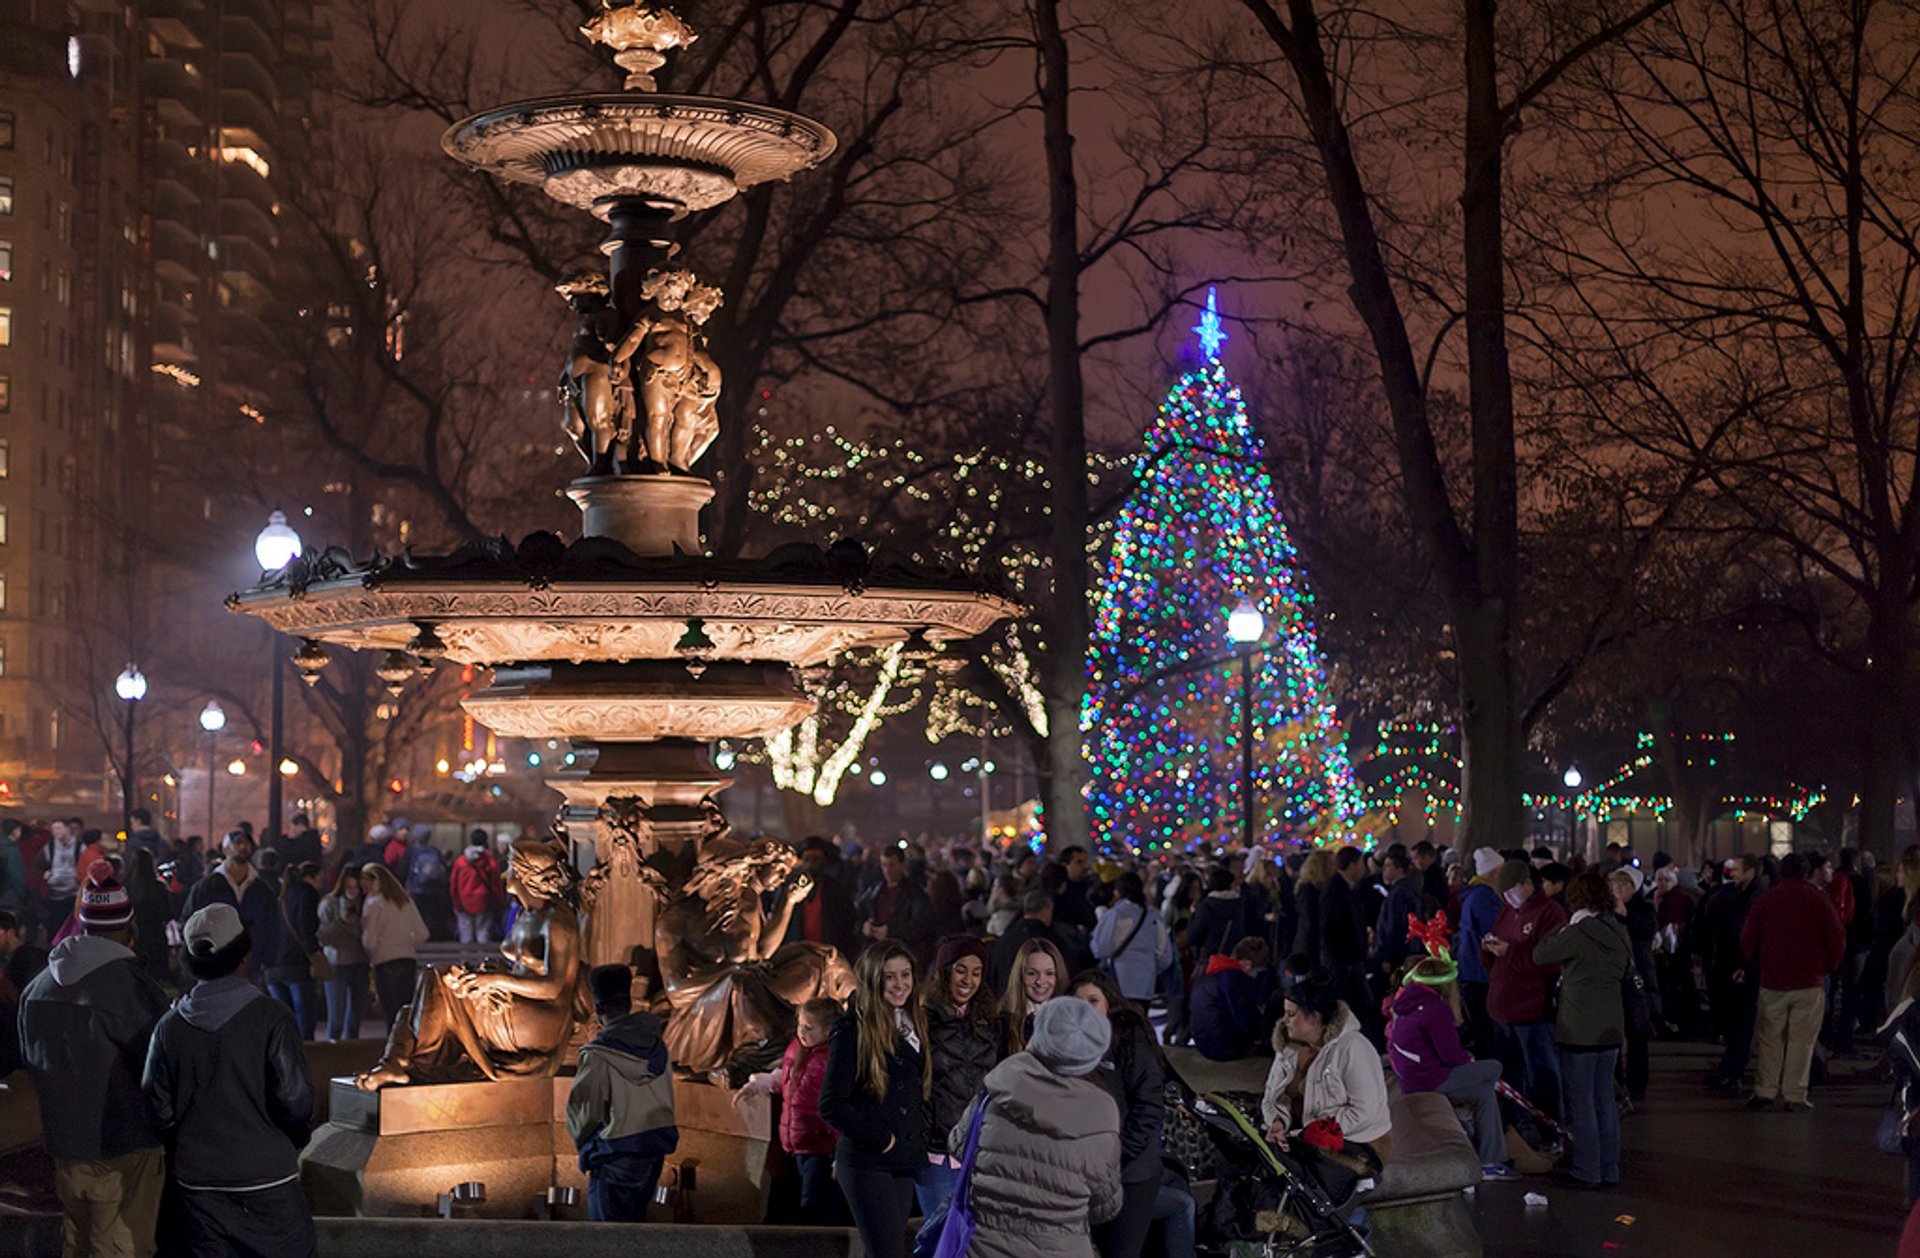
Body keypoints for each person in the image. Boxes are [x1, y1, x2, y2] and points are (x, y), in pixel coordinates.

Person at [143, 904, 316, 1257]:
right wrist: (286, 1142)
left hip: (198, 1185)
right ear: (244, 955)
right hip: (268, 1181)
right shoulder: (272, 1017)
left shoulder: (170, 1027)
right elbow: (295, 1101)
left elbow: (156, 1106)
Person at [17, 860, 169, 1258]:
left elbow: (30, 1061)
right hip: (124, 1148)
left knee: (78, 1244)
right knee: (122, 1247)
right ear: (127, 926)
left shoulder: (37, 987)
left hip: (64, 1144)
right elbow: (162, 1068)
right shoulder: (131, 989)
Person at [957, 996, 1123, 1258]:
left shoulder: (996, 1089)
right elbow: (1105, 1207)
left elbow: (958, 1147)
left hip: (983, 1248)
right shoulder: (1101, 1115)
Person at [819, 942, 931, 1258]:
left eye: (905, 975)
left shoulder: (915, 1023)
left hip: (903, 1159)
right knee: (887, 1252)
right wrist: (884, 1140)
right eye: (889, 977)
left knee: (887, 1250)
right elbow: (831, 1104)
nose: (899, 985)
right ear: (872, 980)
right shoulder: (852, 1028)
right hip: (868, 1160)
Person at [1531, 870, 1631, 1189]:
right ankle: (1609, 1168)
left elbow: (1540, 954)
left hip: (1579, 1028)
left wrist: (1566, 926)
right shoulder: (1618, 931)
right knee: (1605, 1099)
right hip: (1611, 1027)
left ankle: (1587, 1170)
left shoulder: (1577, 932)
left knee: (1582, 1102)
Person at [1386, 954, 1515, 1179]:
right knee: (1494, 1068)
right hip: (1428, 1078)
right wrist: (1468, 1058)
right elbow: (1452, 1056)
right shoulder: (1436, 1009)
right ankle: (1489, 1156)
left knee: (1485, 1093)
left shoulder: (1407, 1003)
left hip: (1411, 1075)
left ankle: (1490, 1160)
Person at [566, 963, 679, 1222]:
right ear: (628, 1004)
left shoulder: (598, 1054)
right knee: (634, 1236)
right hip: (653, 1154)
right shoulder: (657, 1046)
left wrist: (586, 1146)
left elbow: (583, 1112)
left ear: (598, 1008)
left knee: (609, 1241)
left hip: (614, 1154)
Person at [1069, 971, 1166, 1258]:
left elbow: (1148, 1104)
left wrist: (1119, 1155)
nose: (1086, 1009)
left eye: (1093, 1000)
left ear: (1108, 1004)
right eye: (1078, 1003)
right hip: (1092, 1177)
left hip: (1132, 1174)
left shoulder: (1128, 1039)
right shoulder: (1072, 1048)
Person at [1740, 851, 1845, 1112]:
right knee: (1802, 1040)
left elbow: (1748, 936)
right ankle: (1795, 1093)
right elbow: (1836, 937)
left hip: (1773, 979)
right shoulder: (1818, 900)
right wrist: (1827, 967)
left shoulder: (1767, 899)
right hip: (1809, 981)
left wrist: (1758, 962)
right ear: (1807, 872)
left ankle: (1765, 1089)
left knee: (1769, 1038)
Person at [1259, 971, 1392, 1166]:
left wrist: (1315, 1132)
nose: (1284, 1021)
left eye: (1291, 1014)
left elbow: (1364, 1112)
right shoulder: (1289, 1047)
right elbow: (1272, 1096)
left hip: (1358, 1143)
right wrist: (1277, 1122)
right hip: (1301, 1136)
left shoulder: (1353, 1048)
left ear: (1314, 1017)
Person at [737, 997, 848, 1224]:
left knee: (815, 1209)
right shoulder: (796, 1048)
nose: (801, 1032)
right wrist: (761, 1083)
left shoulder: (833, 1059)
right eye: (800, 1025)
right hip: (795, 1145)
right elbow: (787, 1078)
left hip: (820, 1149)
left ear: (828, 1030)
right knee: (788, 1206)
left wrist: (839, 1155)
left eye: (809, 1028)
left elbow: (841, 1108)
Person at [920, 936, 1002, 1220]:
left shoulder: (991, 1024)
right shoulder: (923, 1021)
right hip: (937, 1154)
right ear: (945, 972)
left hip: (981, 1153)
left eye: (977, 972)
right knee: (942, 1239)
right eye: (961, 969)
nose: (969, 979)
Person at [1483, 859, 1566, 1122]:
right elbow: (1495, 960)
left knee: (1541, 1073)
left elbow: (1551, 960)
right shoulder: (1507, 912)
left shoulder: (1551, 913)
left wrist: (1511, 952)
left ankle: (1550, 1127)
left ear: (1528, 884)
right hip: (1502, 1009)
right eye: (1504, 894)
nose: (1508, 898)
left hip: (1533, 1012)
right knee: (1511, 1076)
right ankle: (1515, 1126)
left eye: (1511, 891)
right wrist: (1488, 948)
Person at [1703, 854, 1765, 1093]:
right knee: (1737, 1021)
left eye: (1737, 869)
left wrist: (1744, 964)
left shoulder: (1753, 898)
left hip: (1743, 966)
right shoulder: (1744, 895)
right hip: (1737, 964)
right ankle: (1730, 1069)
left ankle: (1733, 1072)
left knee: (1742, 1022)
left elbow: (1747, 934)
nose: (1733, 873)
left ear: (1750, 871)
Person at [179, 831, 277, 980]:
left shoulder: (261, 888)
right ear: (225, 849)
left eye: (246, 843)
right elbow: (190, 920)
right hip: (215, 964)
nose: (243, 847)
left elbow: (273, 923)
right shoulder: (207, 886)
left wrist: (267, 958)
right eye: (237, 843)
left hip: (252, 964)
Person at [359, 862, 429, 1030]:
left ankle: (393, 1049)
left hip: (384, 961)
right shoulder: (405, 901)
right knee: (405, 1012)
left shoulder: (373, 903)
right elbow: (422, 933)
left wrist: (374, 950)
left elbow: (370, 940)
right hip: (407, 959)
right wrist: (404, 942)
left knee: (390, 1013)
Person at [1090, 871, 1174, 1005]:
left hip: (1119, 980)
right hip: (1146, 982)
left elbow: (1100, 948)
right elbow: (1165, 954)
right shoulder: (1154, 915)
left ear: (1117, 891)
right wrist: (1151, 968)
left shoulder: (1115, 914)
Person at [990, 887, 1088, 993]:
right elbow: (1069, 969)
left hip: (1004, 1000)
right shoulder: (1049, 940)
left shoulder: (1005, 937)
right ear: (1046, 909)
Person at [1454, 848, 1504, 1056]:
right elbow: (1492, 933)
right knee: (1485, 1031)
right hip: (1480, 972)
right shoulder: (1485, 898)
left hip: (1471, 969)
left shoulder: (1474, 895)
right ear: (1493, 873)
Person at [265, 862, 324, 1040]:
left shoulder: (282, 896)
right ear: (310, 877)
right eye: (320, 879)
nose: (321, 884)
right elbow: (306, 926)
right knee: (305, 1019)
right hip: (296, 964)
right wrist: (314, 952)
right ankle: (306, 1059)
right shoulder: (308, 894)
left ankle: (284, 1059)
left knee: (285, 1021)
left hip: (274, 965)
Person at [1187, 937, 1268, 1062]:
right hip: (1222, 1048)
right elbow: (1244, 1019)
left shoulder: (1212, 969)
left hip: (1202, 1043)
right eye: (1257, 970)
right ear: (1247, 964)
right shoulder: (1234, 978)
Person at [856, 845, 936, 968]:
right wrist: (864, 927)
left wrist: (891, 931)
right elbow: (858, 917)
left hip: (902, 954)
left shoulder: (915, 894)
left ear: (903, 865)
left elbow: (921, 926)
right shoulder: (873, 892)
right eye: (884, 865)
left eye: (892, 865)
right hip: (875, 955)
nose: (888, 870)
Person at [316, 865, 370, 1042]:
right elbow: (322, 937)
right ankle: (333, 1053)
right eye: (349, 887)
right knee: (336, 1016)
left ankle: (351, 1054)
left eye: (356, 888)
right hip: (336, 963)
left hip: (359, 962)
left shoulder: (366, 904)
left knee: (354, 1017)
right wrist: (342, 923)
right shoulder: (329, 903)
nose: (353, 892)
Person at [785, 835, 859, 961]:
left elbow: (847, 926)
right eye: (807, 859)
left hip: (828, 957)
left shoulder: (836, 890)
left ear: (824, 861)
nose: (811, 864)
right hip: (796, 957)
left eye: (816, 859)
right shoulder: (789, 888)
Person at [1002, 936, 1068, 1052]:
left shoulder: (1070, 1019)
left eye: (1049, 973)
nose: (1040, 981)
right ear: (1020, 976)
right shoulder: (1001, 1020)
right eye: (1032, 973)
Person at [1373, 848, 1426, 977]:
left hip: (1399, 953)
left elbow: (1394, 925)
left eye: (1388, 866)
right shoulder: (1408, 889)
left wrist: (1388, 956)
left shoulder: (1398, 894)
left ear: (1400, 869)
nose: (1384, 870)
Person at [450, 831, 506, 944]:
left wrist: (456, 904)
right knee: (483, 937)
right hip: (484, 902)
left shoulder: (461, 862)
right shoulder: (489, 861)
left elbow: (453, 885)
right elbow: (496, 885)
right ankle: (482, 960)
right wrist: (499, 903)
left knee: (466, 939)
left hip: (464, 903)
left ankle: (466, 961)